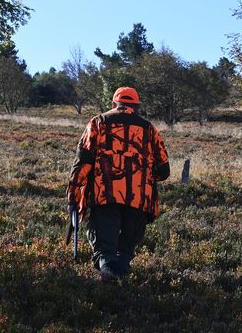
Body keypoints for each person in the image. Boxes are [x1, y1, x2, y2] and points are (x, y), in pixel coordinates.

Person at [67, 87, 170, 280]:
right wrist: (141, 176)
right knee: (124, 254)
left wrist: (73, 196)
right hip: (139, 201)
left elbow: (83, 163)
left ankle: (109, 295)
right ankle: (123, 292)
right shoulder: (149, 129)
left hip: (104, 196)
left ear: (114, 104)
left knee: (105, 253)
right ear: (136, 107)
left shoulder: (98, 123)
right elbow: (164, 170)